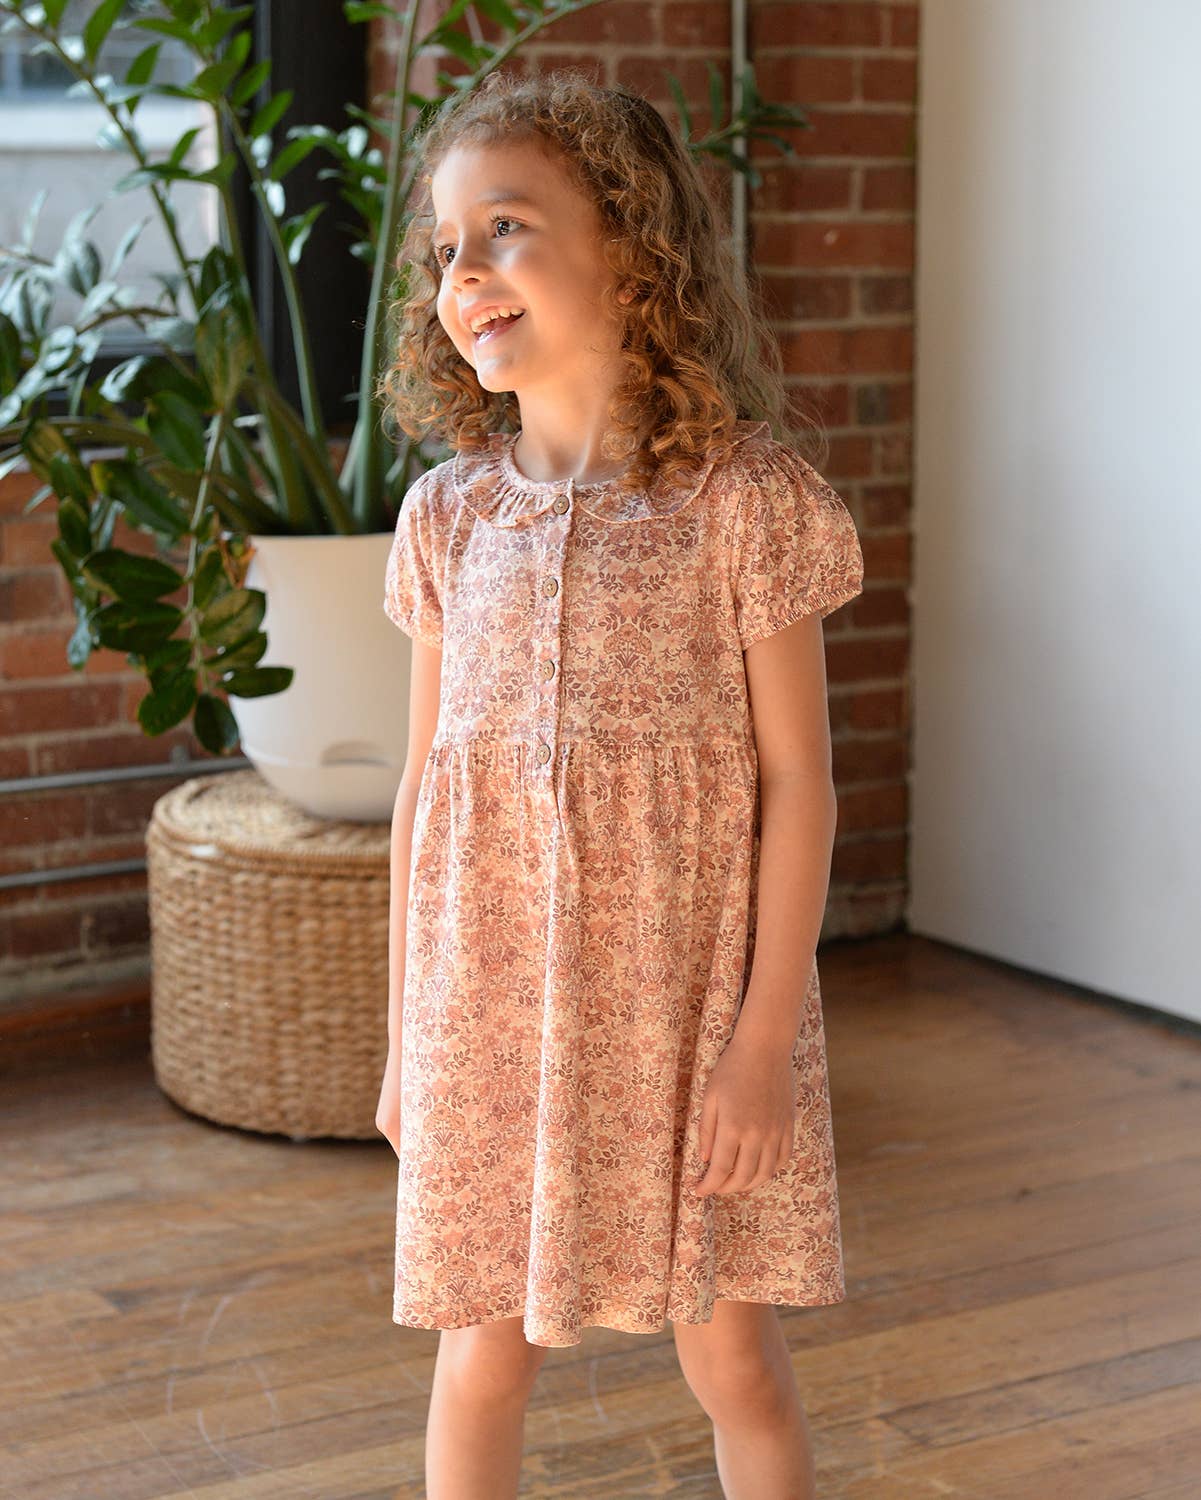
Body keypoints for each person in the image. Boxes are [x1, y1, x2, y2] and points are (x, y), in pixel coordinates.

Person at [374, 66, 864, 1500]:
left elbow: (800, 783)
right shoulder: (450, 518)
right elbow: (424, 795)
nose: (464, 275)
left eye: (504, 228)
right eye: (444, 251)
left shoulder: (743, 504)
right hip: (487, 1016)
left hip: (687, 1013)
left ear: (635, 253)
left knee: (733, 1361)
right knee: (481, 1358)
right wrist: (404, 1037)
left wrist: (760, 1044)